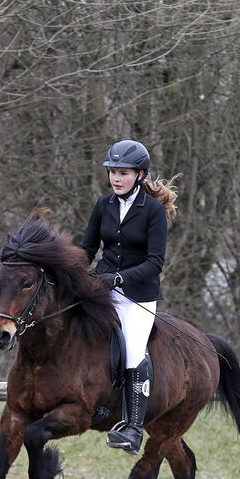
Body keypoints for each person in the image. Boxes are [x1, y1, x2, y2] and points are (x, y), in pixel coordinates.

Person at [80, 139, 178, 455]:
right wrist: (72, 272)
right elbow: (87, 249)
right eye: (112, 172)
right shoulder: (102, 205)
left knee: (134, 351)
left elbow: (155, 263)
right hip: (103, 287)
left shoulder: (153, 211)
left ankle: (134, 428)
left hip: (138, 295)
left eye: (123, 173)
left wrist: (120, 278)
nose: (116, 179)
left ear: (139, 174)